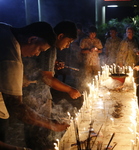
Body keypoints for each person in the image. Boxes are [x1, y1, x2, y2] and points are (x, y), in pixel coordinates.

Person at [0, 22, 69, 149]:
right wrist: (51, 124)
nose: (37, 54)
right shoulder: (11, 55)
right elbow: (17, 109)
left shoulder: (5, 28)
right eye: (39, 49)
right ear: (32, 39)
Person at [22, 21, 81, 150]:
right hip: (36, 98)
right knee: (39, 135)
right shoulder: (50, 47)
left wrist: (52, 66)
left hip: (35, 96)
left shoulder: (47, 46)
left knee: (37, 134)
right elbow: (46, 78)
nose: (67, 46)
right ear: (60, 36)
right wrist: (70, 89)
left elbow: (39, 69)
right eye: (68, 41)